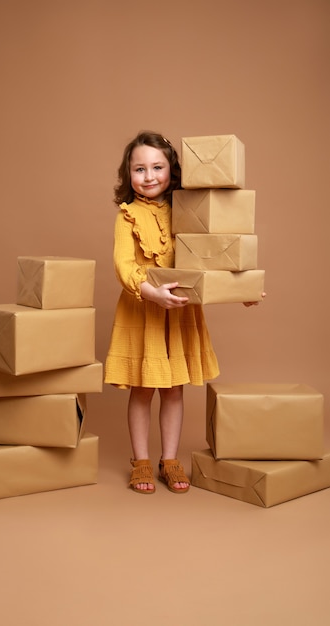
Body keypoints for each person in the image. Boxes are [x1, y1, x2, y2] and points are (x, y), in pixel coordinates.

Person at [104, 131, 261, 495]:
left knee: (174, 389)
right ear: (127, 175)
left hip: (179, 310)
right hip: (143, 308)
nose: (149, 176)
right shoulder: (127, 216)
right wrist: (150, 292)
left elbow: (213, 257)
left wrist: (243, 291)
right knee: (143, 389)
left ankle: (169, 459)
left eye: (157, 167)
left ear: (171, 171)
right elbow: (122, 266)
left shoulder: (188, 212)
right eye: (139, 168)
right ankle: (141, 460)